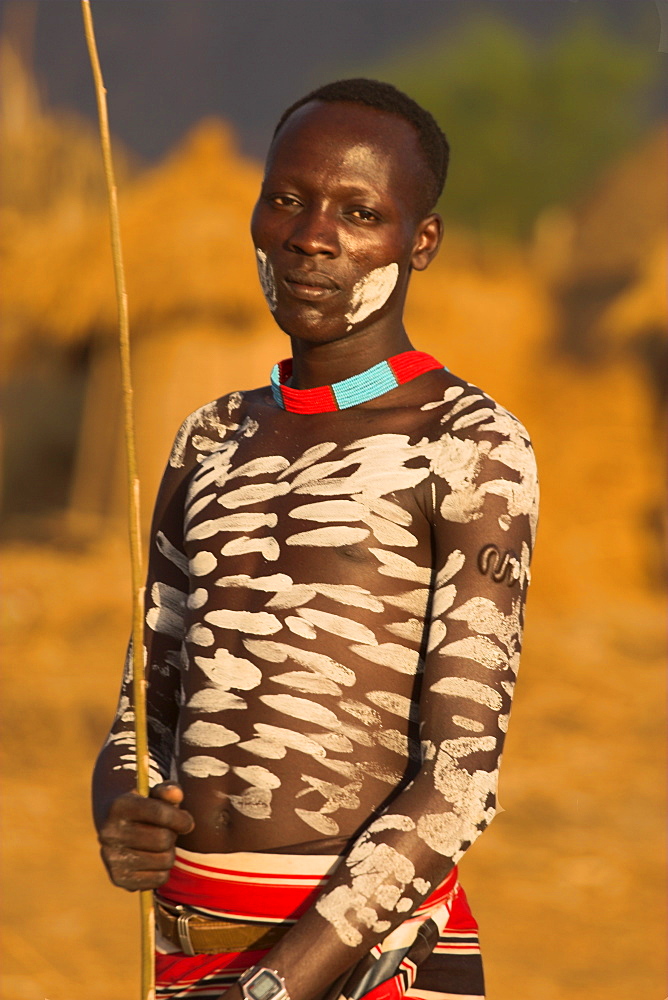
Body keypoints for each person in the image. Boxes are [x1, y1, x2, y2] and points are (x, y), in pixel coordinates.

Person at [93, 78, 538, 1000]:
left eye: (359, 211)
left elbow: (457, 783)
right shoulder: (209, 437)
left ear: (420, 243)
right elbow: (144, 711)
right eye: (288, 200)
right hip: (188, 950)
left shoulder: (468, 446)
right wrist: (120, 815)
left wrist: (277, 986)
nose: (312, 236)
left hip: (360, 962)